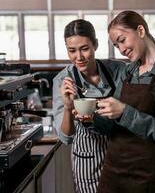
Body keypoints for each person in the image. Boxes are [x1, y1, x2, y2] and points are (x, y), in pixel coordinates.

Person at [96, 11, 155, 193]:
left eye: (122, 40)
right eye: (116, 45)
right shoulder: (126, 72)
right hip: (113, 173)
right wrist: (91, 117)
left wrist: (123, 111)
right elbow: (111, 127)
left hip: (146, 178)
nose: (121, 49)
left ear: (140, 30)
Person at [52, 19, 125, 193]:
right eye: (72, 51)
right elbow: (66, 138)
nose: (79, 57)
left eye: (84, 48)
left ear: (96, 45)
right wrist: (69, 108)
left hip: (121, 160)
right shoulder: (62, 81)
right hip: (88, 166)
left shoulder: (117, 70)